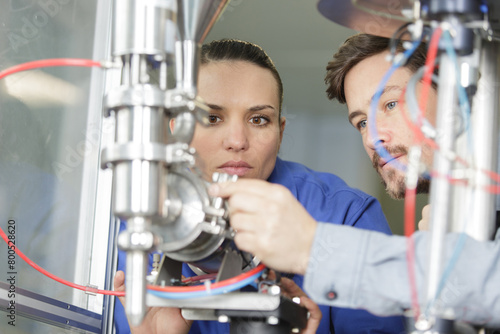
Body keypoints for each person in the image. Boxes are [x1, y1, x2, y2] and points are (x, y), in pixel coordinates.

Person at [114, 38, 407, 333]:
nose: (237, 141)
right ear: (179, 130)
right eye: (212, 118)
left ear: (279, 132)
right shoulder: (140, 233)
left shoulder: (343, 215)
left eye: (258, 119)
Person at [209, 33, 500, 328]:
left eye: (390, 104)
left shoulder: (344, 210)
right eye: (361, 122)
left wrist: (314, 250)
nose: (373, 138)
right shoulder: (455, 219)